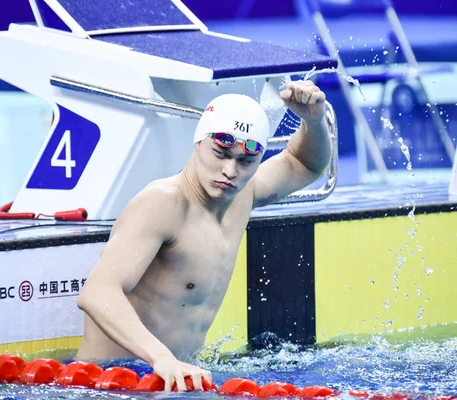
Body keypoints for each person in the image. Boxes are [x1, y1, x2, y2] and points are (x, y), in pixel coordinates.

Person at [76, 80, 331, 391]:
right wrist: (160, 357)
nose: (230, 170)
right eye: (220, 153)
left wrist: (313, 121)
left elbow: (304, 163)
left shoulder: (242, 195)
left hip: (171, 379)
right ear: (198, 142)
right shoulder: (164, 202)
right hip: (110, 382)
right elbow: (97, 292)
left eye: (245, 161)